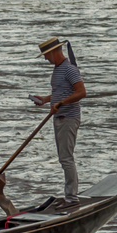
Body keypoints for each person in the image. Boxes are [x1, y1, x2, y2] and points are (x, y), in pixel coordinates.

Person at [33, 37, 86, 207]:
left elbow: (81, 92)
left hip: (68, 118)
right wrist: (46, 99)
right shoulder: (58, 70)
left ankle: (71, 198)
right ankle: (70, 196)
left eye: (46, 55)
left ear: (54, 52)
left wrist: (61, 103)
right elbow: (61, 92)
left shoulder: (69, 69)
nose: (45, 59)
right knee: (64, 158)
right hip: (59, 117)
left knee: (66, 159)